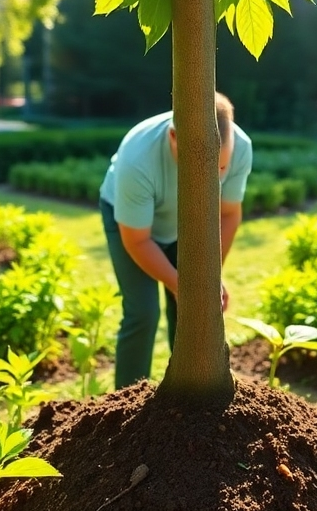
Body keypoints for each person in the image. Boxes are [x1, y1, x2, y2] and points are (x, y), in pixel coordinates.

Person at [99, 93, 252, 388]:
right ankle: (126, 400)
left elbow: (229, 214)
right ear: (173, 137)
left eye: (220, 169)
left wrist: (208, 278)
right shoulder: (137, 157)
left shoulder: (241, 148)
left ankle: (186, 393)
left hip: (185, 223)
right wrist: (180, 283)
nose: (214, 177)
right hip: (132, 227)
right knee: (143, 312)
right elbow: (138, 240)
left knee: (191, 308)